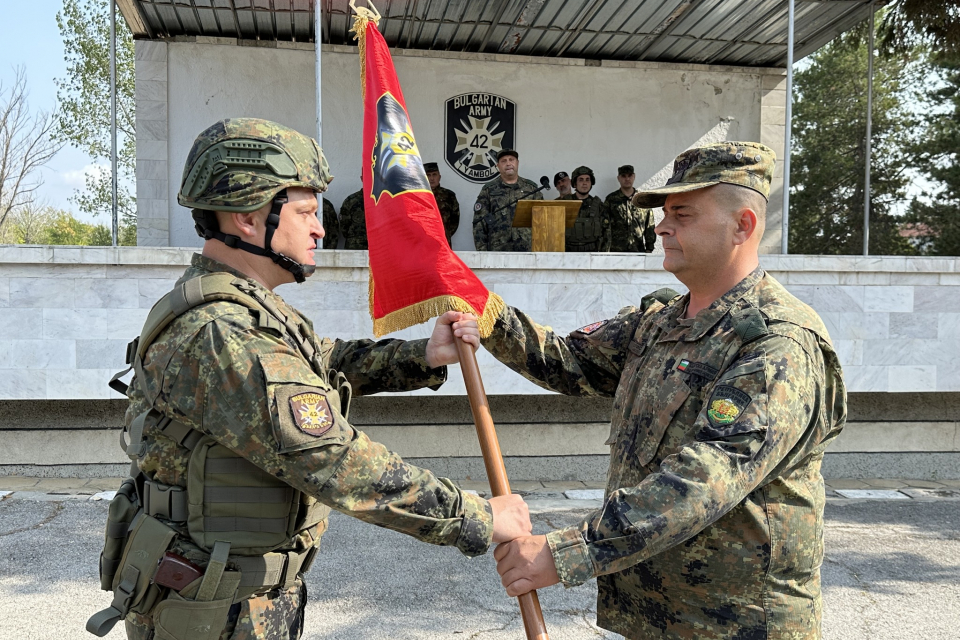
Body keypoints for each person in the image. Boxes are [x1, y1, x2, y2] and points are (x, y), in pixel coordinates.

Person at [88, 118, 531, 640]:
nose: (319, 228)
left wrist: (423, 357)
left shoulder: (246, 309)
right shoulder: (221, 333)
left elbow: (324, 361)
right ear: (247, 218)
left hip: (231, 597)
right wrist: (475, 516)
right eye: (304, 213)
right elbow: (333, 459)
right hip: (210, 610)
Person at [482, 142, 847, 639]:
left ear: (743, 225)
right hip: (655, 616)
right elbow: (568, 361)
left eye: (683, 213)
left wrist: (566, 552)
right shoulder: (660, 322)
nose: (661, 227)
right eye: (664, 213)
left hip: (735, 624)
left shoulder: (777, 343)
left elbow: (705, 479)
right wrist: (481, 310)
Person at [472, 149, 543, 251]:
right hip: (497, 251)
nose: (508, 163)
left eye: (511, 160)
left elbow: (541, 222)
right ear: (498, 166)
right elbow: (479, 224)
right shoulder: (488, 190)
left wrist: (540, 251)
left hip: (527, 250)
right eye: (504, 161)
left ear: (517, 163)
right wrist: (483, 253)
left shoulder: (532, 189)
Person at [601, 164, 656, 253]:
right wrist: (605, 249)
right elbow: (604, 226)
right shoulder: (611, 199)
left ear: (634, 177)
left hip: (638, 250)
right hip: (616, 251)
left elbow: (649, 225)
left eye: (629, 176)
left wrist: (649, 247)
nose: (627, 179)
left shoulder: (642, 199)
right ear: (618, 178)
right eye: (623, 176)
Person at [559, 165, 607, 252]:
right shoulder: (565, 203)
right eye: (581, 180)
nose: (584, 183)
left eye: (587, 180)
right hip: (568, 254)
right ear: (575, 183)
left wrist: (603, 256)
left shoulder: (599, 205)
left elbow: (606, 233)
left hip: (592, 254)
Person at [424, 162, 460, 245]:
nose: (432, 178)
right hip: (423, 242)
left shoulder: (449, 196)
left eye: (434, 175)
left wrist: (445, 234)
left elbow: (455, 220)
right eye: (428, 175)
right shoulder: (418, 196)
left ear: (439, 177)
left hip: (443, 241)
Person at [338, 184, 367, 250]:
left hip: (379, 244)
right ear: (362, 178)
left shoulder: (383, 200)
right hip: (355, 246)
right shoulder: (351, 201)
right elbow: (344, 226)